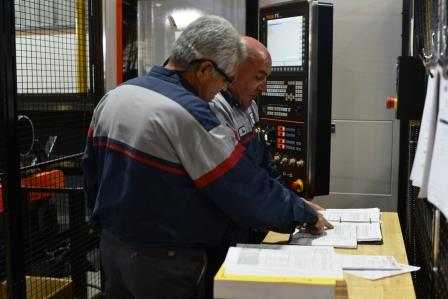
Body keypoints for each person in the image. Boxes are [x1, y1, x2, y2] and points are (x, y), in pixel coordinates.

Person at [83, 16, 331, 299]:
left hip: (112, 251)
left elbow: (90, 172)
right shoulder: (188, 113)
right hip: (165, 263)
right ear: (204, 69)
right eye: (225, 79)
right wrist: (301, 213)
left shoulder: (116, 96)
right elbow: (242, 188)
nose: (221, 90)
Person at [206, 36, 327, 298]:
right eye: (259, 76)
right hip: (219, 237)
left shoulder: (248, 107)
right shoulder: (213, 110)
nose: (264, 86)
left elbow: (264, 167)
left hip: (246, 229)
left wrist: (293, 199)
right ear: (234, 69)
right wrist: (297, 212)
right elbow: (241, 186)